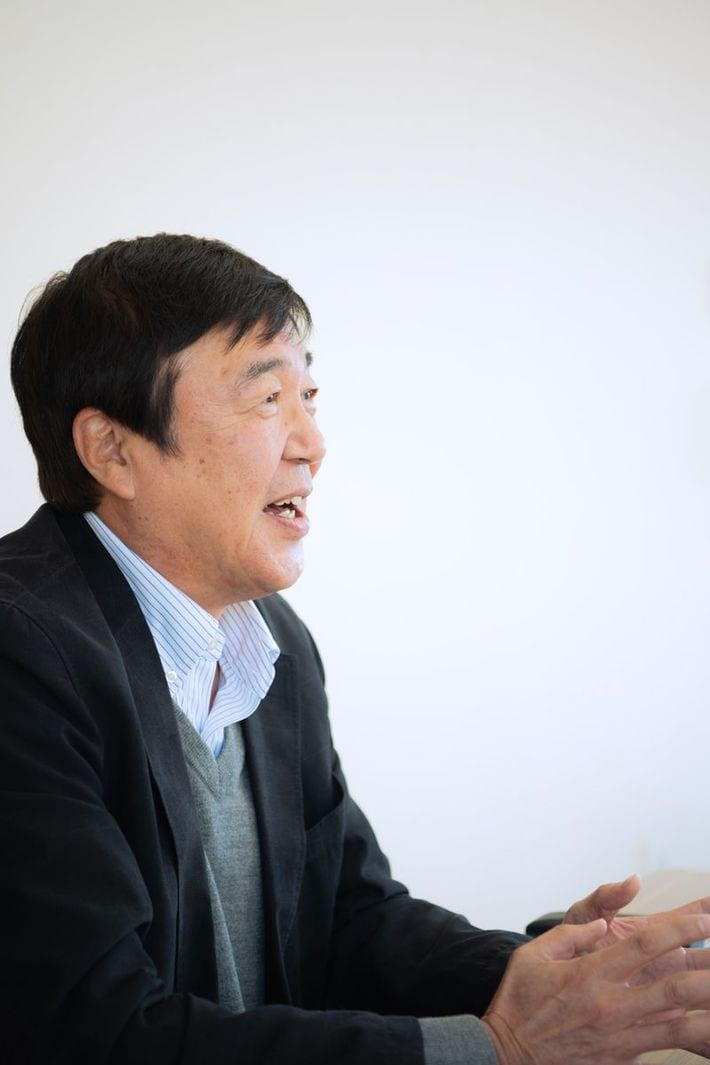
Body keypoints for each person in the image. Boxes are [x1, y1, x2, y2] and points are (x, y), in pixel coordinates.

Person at [2, 233, 710, 1065]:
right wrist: (499, 1046)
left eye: (308, 394)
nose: (312, 440)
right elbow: (98, 1032)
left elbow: (350, 917)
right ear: (113, 449)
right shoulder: (21, 652)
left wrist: (552, 973)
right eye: (268, 399)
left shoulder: (272, 642)